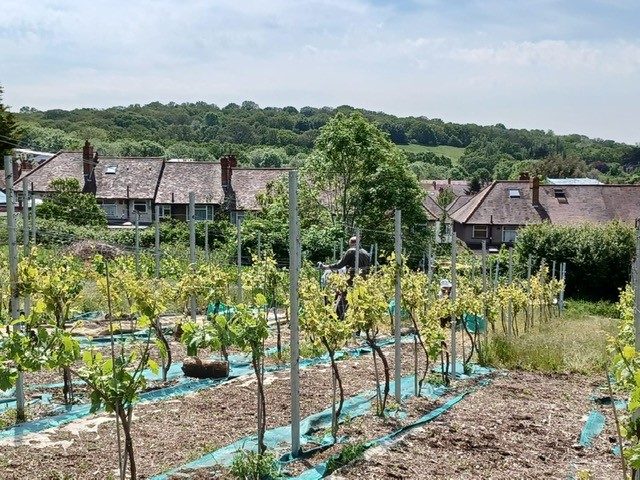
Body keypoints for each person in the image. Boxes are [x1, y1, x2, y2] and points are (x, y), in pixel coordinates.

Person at [321, 236, 372, 320]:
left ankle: (344, 320)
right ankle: (359, 323)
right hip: (363, 281)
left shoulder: (351, 251)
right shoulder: (366, 253)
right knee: (360, 301)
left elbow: (340, 265)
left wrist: (326, 267)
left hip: (351, 280)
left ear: (351, 243)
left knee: (344, 300)